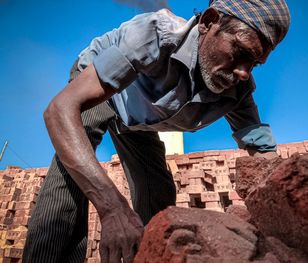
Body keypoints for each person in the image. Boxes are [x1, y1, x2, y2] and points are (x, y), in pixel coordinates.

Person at [23, 0, 290, 262]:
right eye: (241, 52)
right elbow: (60, 109)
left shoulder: (237, 90)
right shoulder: (154, 36)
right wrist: (113, 209)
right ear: (209, 22)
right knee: (72, 175)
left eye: (255, 63)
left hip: (141, 120)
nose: (244, 72)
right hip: (102, 90)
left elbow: (263, 156)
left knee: (158, 196)